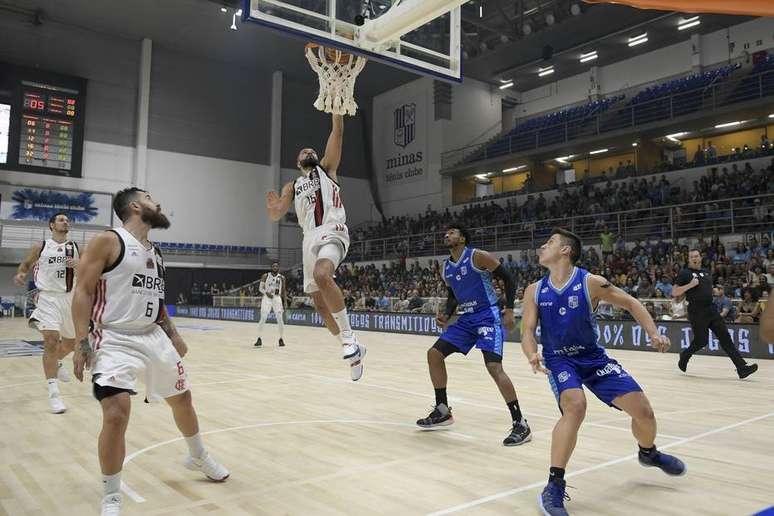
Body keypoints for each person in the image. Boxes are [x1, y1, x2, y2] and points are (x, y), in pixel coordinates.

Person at [71, 188, 229, 515]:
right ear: (134, 206)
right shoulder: (108, 241)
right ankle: (112, 494)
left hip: (153, 336)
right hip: (114, 338)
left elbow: (155, 300)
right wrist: (81, 342)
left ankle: (197, 455)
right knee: (116, 412)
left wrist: (173, 334)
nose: (157, 202)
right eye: (149, 197)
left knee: (182, 399)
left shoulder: (155, 252)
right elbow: (83, 290)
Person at [522, 229, 685, 516]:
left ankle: (648, 453)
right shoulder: (535, 290)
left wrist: (653, 333)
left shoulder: (591, 282)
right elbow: (527, 331)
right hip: (559, 361)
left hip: (594, 359)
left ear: (565, 251)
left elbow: (632, 303)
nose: (542, 247)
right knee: (575, 406)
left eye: (549, 243)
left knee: (644, 412)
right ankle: (554, 485)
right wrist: (531, 353)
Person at [265, 113, 366, 381]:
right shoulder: (293, 185)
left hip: (332, 229)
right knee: (320, 305)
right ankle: (354, 352)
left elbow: (338, 131)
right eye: (303, 152)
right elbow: (277, 214)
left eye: (312, 150)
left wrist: (336, 106)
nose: (308, 151)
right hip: (308, 238)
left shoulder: (327, 168)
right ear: (297, 163)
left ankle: (348, 337)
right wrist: (274, 207)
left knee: (323, 275)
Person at [416, 225, 532, 446]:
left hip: (487, 316)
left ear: (462, 237)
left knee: (494, 367)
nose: (446, 235)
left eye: (452, 232)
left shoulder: (478, 256)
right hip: (466, 319)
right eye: (445, 233)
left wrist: (508, 310)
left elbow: (509, 279)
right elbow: (453, 294)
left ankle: (520, 423)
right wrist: (447, 314)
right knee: (434, 354)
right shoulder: (446, 267)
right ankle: (442, 409)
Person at [14, 212, 79, 413]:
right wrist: (22, 273)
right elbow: (26, 264)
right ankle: (54, 394)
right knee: (51, 340)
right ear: (51, 225)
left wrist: (80, 265)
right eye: (61, 219)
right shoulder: (41, 246)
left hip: (69, 298)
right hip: (48, 297)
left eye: (67, 220)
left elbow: (91, 270)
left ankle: (57, 363)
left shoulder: (76, 248)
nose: (65, 221)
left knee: (70, 344)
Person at [672, 249, 757, 378]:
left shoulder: (706, 272)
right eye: (691, 257)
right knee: (701, 341)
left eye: (696, 256)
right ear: (688, 260)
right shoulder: (685, 273)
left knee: (725, 339)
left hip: (711, 310)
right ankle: (685, 355)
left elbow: (705, 289)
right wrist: (690, 285)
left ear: (700, 258)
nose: (694, 258)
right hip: (696, 311)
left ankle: (741, 368)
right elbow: (675, 292)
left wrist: (713, 292)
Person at [254, 262, 286, 347]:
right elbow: (260, 288)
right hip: (267, 297)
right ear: (271, 267)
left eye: (277, 266)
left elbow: (283, 290)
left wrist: (285, 302)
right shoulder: (265, 276)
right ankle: (259, 338)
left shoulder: (282, 277)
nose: (275, 267)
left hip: (277, 298)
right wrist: (266, 293)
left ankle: (281, 339)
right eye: (273, 266)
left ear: (279, 267)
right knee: (263, 317)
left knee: (280, 319)